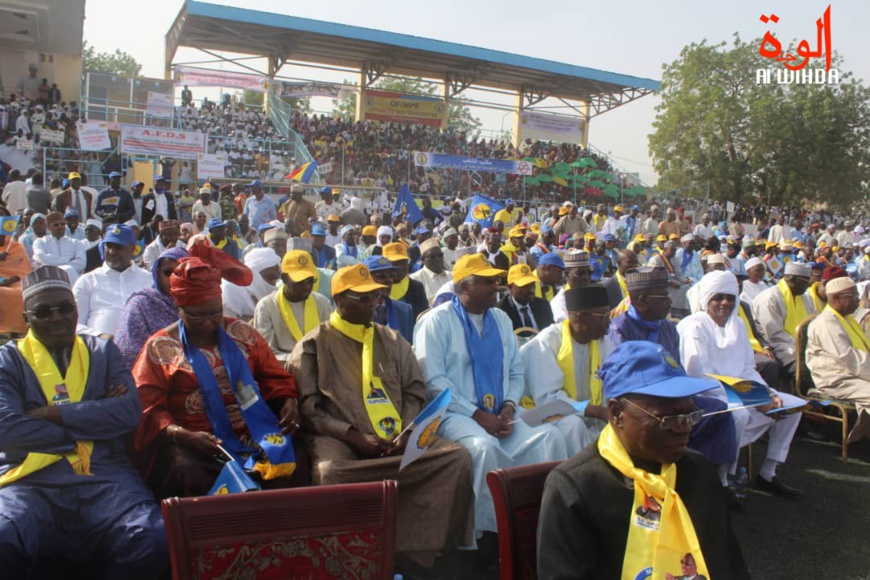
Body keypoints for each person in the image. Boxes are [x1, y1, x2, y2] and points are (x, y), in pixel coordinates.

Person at [286, 264, 474, 572]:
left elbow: (414, 391)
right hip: (342, 438)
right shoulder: (313, 344)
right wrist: (352, 435)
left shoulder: (393, 339)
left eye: (374, 296)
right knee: (330, 471)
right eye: (362, 298)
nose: (373, 303)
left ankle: (419, 553)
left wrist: (409, 431)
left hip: (397, 438)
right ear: (339, 299)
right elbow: (309, 410)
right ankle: (345, 557)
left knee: (456, 458)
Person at [0, 266, 168, 577]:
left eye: (65, 308)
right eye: (43, 311)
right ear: (26, 319)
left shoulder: (103, 351)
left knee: (152, 537)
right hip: (32, 479)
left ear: (77, 309)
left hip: (103, 475)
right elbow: (7, 431)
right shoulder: (7, 361)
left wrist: (53, 412)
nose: (56, 317)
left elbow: (129, 414)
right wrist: (95, 417)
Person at [537, 341, 749, 580]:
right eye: (668, 418)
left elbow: (728, 565)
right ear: (617, 413)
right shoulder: (577, 487)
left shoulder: (699, 471)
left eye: (691, 414)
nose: (684, 428)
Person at [413, 254, 567, 537]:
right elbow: (434, 382)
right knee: (483, 448)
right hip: (454, 413)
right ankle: (485, 535)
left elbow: (515, 371)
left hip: (500, 410)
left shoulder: (500, 319)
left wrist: (509, 406)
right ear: (464, 288)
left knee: (550, 437)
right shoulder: (437, 321)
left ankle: (541, 523)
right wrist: (477, 415)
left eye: (496, 281)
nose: (497, 286)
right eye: (487, 282)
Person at [132, 256, 300, 498]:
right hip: (197, 441)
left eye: (215, 312)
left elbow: (273, 376)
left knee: (297, 455)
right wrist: (180, 434)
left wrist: (288, 401)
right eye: (198, 316)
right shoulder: (160, 347)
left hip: (254, 431)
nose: (210, 322)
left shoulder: (243, 333)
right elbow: (146, 407)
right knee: (189, 472)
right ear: (179, 309)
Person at [678, 270, 803, 497]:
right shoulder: (694, 326)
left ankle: (768, 473)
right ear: (707, 298)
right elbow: (699, 377)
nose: (725, 302)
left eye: (730, 297)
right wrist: (755, 399)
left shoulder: (737, 324)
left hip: (743, 394)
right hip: (707, 395)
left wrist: (767, 393)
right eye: (718, 297)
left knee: (793, 405)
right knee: (739, 416)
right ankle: (724, 480)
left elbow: (748, 369)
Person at [520, 285, 613, 455]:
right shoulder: (547, 342)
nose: (609, 322)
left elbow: (613, 384)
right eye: (604, 316)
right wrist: (597, 411)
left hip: (586, 413)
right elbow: (548, 399)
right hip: (535, 412)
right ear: (581, 317)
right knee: (573, 425)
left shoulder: (603, 342)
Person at [806, 277, 870, 443]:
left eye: (857, 295)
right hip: (836, 378)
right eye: (852, 296)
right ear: (835, 298)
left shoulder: (847, 319)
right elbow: (849, 358)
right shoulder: (826, 323)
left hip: (852, 373)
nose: (857, 300)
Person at [115, 247, 189, 370]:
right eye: (167, 273)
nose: (174, 278)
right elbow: (128, 353)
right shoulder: (141, 305)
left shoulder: (201, 302)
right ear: (157, 274)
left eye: (181, 273)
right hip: (154, 377)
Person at [73, 224, 151, 339]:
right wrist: (101, 336)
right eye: (108, 246)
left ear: (133, 249)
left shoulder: (149, 279)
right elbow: (74, 325)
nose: (112, 252)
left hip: (142, 349)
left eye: (118, 247)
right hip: (100, 351)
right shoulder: (87, 281)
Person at [253, 250, 333, 362]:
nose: (307, 286)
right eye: (300, 281)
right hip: (284, 368)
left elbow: (330, 343)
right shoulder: (266, 306)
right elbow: (267, 353)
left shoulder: (322, 302)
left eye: (310, 281)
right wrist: (299, 359)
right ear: (284, 278)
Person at [752, 262, 816, 378]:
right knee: (805, 366)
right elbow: (774, 335)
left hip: (804, 345)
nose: (808, 286)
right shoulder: (769, 298)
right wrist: (803, 348)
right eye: (806, 281)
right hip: (779, 347)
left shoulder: (806, 297)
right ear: (793, 279)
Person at [366, 256, 416, 344]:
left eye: (391, 275)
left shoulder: (404, 310)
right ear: (366, 280)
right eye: (381, 276)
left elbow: (409, 345)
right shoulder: (357, 311)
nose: (388, 280)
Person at [222, 247, 281, 320]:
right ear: (254, 274)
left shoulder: (276, 294)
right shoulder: (231, 290)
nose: (273, 282)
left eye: (276, 277)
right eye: (270, 277)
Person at [0, 207, 32, 337]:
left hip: (14, 282)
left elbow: (24, 269)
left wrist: (10, 280)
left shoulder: (16, 247)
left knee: (23, 293)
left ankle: (17, 331)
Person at [31, 211, 86, 284]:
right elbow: (40, 256)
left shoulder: (76, 243)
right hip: (48, 278)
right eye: (56, 225)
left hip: (71, 278)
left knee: (69, 270)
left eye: (62, 224)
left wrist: (60, 268)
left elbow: (81, 263)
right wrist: (67, 260)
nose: (60, 227)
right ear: (48, 227)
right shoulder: (40, 242)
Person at [497, 263, 554, 331]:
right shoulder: (501, 311)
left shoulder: (543, 305)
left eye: (532, 285)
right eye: (524, 286)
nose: (531, 290)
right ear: (510, 287)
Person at [383, 242, 429, 320]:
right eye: (396, 264)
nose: (401, 267)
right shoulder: (378, 290)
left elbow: (423, 316)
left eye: (404, 262)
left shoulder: (416, 287)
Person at [550, 251, 593, 323]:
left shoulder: (592, 295)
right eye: (580, 273)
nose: (586, 277)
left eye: (589, 273)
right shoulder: (559, 302)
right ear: (567, 275)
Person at [409, 238, 452, 306]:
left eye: (440, 255)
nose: (438, 259)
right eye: (432, 257)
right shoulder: (415, 279)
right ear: (423, 260)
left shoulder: (452, 276)